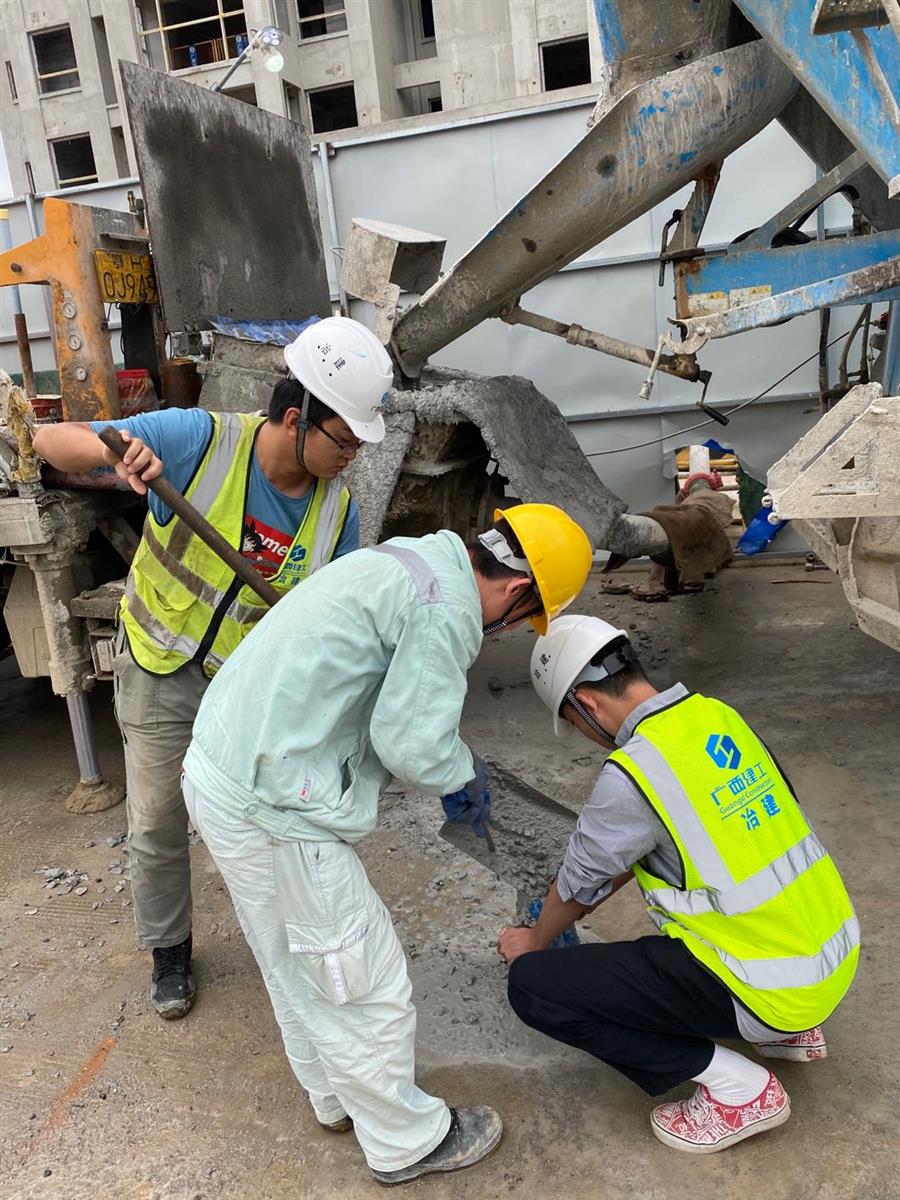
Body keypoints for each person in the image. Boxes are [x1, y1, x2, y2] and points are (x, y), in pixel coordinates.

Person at [180, 504, 593, 1184]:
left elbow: (390, 702)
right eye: (526, 619)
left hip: (224, 771)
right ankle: (407, 1141)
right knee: (361, 978)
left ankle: (336, 1097)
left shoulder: (413, 559)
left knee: (296, 961)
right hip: (276, 806)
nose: (513, 629)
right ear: (520, 590)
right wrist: (460, 773)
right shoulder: (447, 608)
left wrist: (449, 757)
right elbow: (410, 745)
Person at [33, 316, 393, 1020]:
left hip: (245, 688)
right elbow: (53, 441)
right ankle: (169, 949)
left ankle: (290, 943)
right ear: (296, 418)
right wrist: (119, 451)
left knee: (273, 823)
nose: (353, 456)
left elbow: (337, 617)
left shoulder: (337, 515)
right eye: (345, 439)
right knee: (157, 821)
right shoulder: (201, 440)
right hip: (160, 664)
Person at [498, 615, 858, 1154]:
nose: (582, 735)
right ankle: (787, 1032)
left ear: (587, 704)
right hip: (830, 958)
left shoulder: (634, 770)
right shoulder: (717, 717)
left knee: (533, 987)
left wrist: (533, 941)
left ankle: (738, 1089)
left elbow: (578, 884)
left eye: (572, 722)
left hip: (771, 987)